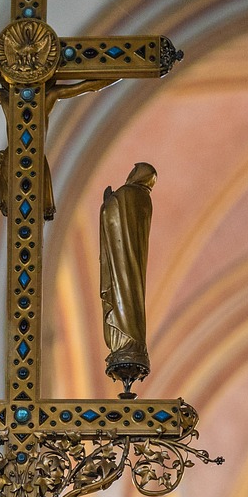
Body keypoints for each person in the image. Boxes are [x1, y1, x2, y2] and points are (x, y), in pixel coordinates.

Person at [99, 162, 157, 391]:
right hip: (132, 265)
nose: (131, 174)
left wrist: (109, 200)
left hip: (122, 262)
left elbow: (111, 210)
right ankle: (132, 346)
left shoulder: (130, 194)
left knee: (123, 291)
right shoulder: (144, 199)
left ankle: (124, 344)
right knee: (131, 298)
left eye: (134, 171)